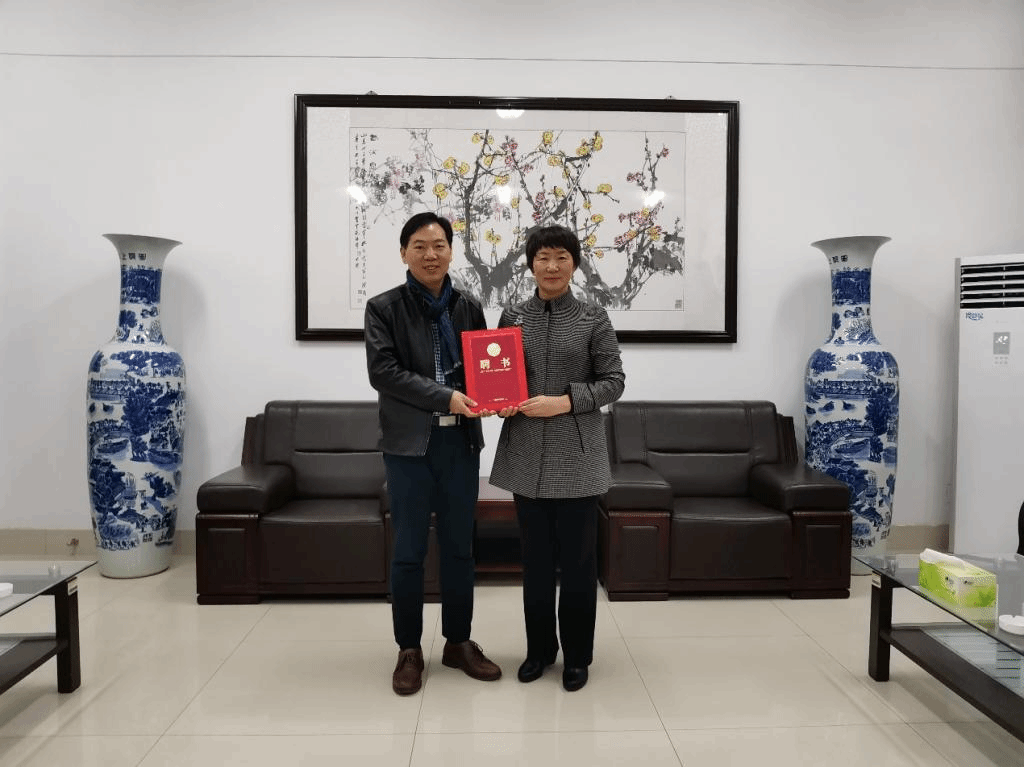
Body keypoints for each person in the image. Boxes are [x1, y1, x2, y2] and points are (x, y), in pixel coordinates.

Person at [365, 211, 502, 696]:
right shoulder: (383, 308)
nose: (430, 254)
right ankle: (409, 648)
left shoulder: (468, 306)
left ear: (451, 251)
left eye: (439, 245)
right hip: (409, 446)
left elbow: (485, 367)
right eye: (420, 246)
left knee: (461, 548)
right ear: (404, 252)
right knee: (409, 550)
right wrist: (446, 396)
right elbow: (384, 373)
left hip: (459, 444)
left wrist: (497, 394)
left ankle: (458, 642)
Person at [489, 224, 625, 692]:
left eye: (561, 257)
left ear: (574, 264)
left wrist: (564, 401)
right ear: (531, 264)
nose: (551, 266)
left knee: (579, 565)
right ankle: (539, 651)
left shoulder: (593, 316)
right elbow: (498, 374)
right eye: (543, 257)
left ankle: (577, 657)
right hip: (526, 453)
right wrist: (500, 401)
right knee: (536, 564)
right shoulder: (513, 314)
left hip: (578, 456)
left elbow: (613, 381)